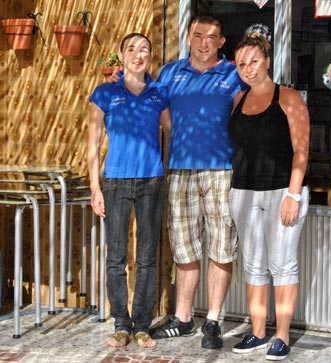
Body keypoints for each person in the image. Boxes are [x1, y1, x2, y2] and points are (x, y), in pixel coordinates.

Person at [150, 14, 246, 349]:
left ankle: (214, 321)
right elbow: (159, 107)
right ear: (189, 37)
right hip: (180, 169)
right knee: (184, 245)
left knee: (221, 244)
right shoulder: (171, 73)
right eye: (198, 35)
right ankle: (184, 318)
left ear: (222, 42)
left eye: (212, 37)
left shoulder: (234, 74)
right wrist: (176, 136)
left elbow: (247, 114)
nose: (204, 42)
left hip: (221, 170)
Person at [227, 33, 310, 361]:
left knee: (282, 265)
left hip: (281, 191)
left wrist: (293, 193)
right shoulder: (237, 101)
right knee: (254, 266)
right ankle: (258, 331)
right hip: (244, 192)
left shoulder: (288, 98)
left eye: (254, 61)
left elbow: (302, 149)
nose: (248, 69)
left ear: (267, 60)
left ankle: (282, 336)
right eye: (242, 63)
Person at [88, 32, 171, 349]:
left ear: (151, 57)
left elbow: (172, 133)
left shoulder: (158, 93)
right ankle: (121, 325)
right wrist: (96, 187)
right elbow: (93, 146)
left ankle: (142, 326)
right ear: (121, 56)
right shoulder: (105, 93)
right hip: (116, 181)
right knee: (117, 257)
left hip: (152, 180)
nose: (139, 54)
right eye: (133, 49)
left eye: (145, 49)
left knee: (148, 257)